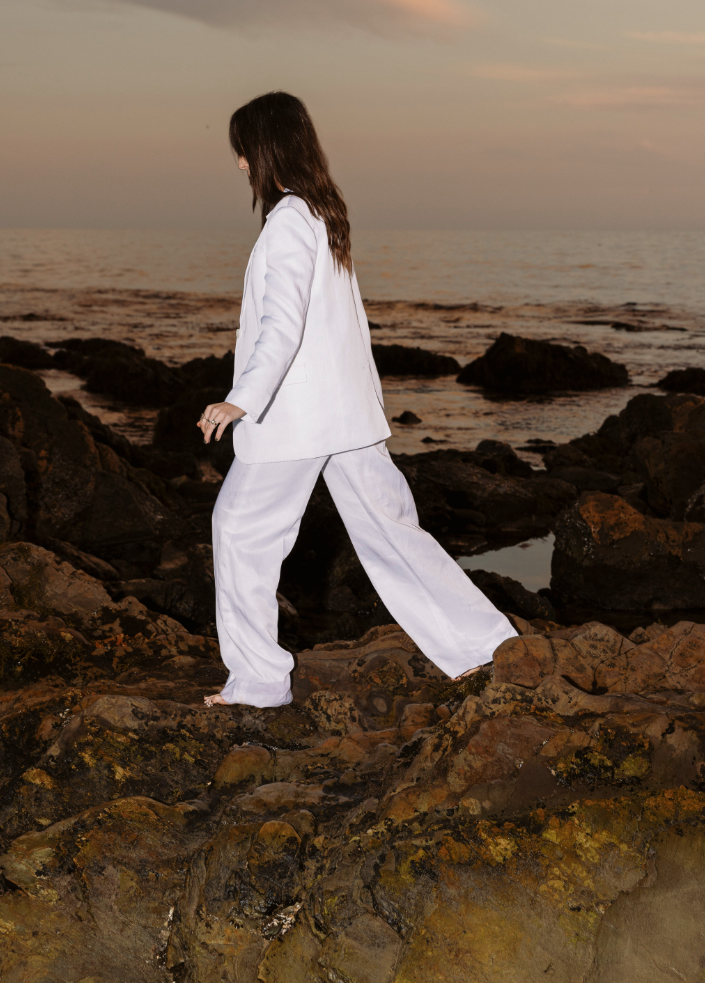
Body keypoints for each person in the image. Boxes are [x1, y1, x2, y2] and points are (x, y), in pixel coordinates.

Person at [198, 91, 516, 707]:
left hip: (296, 416)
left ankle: (260, 680)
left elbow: (282, 325)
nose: (239, 164)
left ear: (263, 149)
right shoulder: (324, 212)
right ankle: (485, 648)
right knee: (393, 533)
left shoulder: (290, 220)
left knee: (239, 532)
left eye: (242, 150)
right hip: (343, 413)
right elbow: (345, 325)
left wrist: (241, 398)